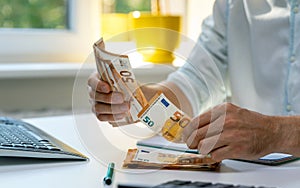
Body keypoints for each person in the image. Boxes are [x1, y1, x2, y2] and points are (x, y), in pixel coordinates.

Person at [88, 0, 300, 162]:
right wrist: (135, 99)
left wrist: (276, 133)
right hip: (252, 176)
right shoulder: (231, 4)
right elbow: (195, 81)